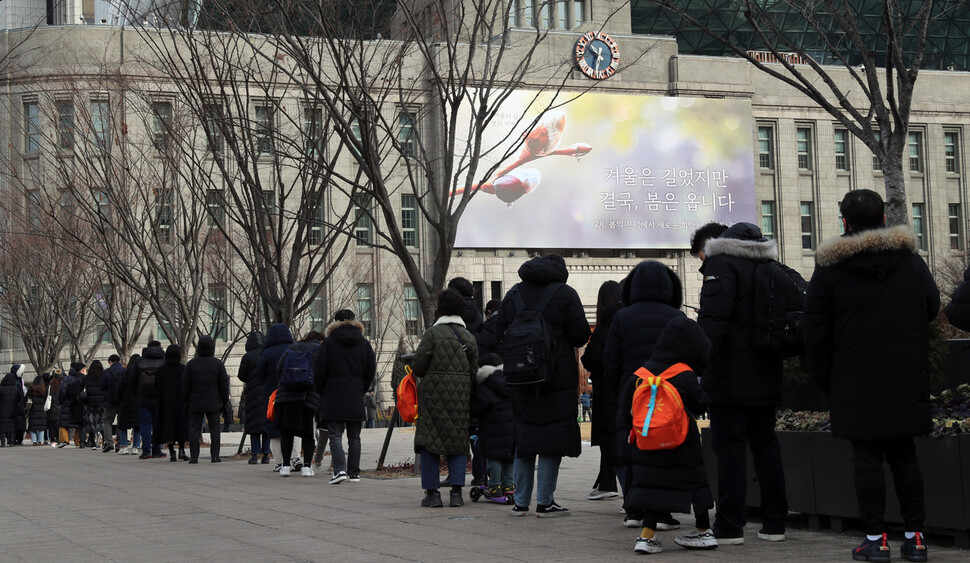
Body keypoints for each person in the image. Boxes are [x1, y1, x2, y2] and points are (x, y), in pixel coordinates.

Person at [804, 189, 938, 563]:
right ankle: (915, 539)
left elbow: (814, 330)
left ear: (844, 222)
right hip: (907, 374)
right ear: (883, 219)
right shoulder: (910, 260)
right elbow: (931, 306)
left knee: (866, 457)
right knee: (904, 455)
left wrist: (825, 379)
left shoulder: (830, 268)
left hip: (853, 377)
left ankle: (875, 540)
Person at [696, 221, 788, 544]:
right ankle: (775, 524)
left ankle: (730, 525)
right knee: (766, 445)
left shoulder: (721, 263)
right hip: (767, 370)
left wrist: (698, 361)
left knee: (730, 449)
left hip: (729, 376)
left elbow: (714, 319)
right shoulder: (769, 264)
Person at [493, 254, 591, 517]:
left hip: (520, 379)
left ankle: (520, 502)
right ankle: (545, 502)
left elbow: (496, 333)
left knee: (524, 439)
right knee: (551, 440)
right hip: (557, 378)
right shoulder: (566, 294)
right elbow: (581, 335)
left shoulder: (514, 294)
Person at [619, 317, 717, 555]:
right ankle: (704, 530)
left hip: (648, 445)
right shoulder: (683, 374)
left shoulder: (640, 375)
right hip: (683, 442)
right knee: (696, 483)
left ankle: (647, 536)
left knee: (652, 487)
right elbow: (701, 403)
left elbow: (624, 410)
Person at [604, 261, 686, 529]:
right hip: (668, 394)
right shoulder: (677, 318)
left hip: (632, 392)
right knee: (667, 449)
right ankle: (663, 512)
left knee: (631, 449)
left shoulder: (622, 318)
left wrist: (618, 393)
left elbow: (611, 362)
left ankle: (634, 509)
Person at [411, 288, 479, 508]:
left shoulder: (432, 334)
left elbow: (418, 367)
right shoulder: (468, 336)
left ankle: (432, 494)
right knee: (458, 442)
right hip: (460, 397)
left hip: (432, 398)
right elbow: (473, 371)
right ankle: (457, 493)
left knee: (429, 443)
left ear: (440, 309)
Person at [316, 310, 376, 484]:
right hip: (355, 394)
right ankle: (354, 473)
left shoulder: (328, 343)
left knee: (335, 434)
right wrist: (361, 388)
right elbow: (370, 371)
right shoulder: (364, 343)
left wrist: (321, 391)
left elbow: (319, 370)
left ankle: (339, 470)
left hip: (333, 394)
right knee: (354, 436)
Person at [580, 279, 623, 501]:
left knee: (611, 438)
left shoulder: (606, 326)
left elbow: (590, 358)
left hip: (608, 390)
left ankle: (627, 494)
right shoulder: (628, 320)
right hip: (630, 387)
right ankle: (607, 482)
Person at [275, 331, 325, 477]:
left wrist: (286, 384)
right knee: (308, 433)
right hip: (308, 396)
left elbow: (279, 369)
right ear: (320, 340)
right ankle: (307, 467)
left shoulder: (291, 347)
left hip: (287, 395)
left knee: (287, 432)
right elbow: (322, 372)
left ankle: (285, 467)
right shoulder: (319, 350)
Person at [470, 353, 515, 500]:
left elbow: (478, 407)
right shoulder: (509, 381)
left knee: (494, 457)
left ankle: (494, 485)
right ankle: (509, 485)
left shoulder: (485, 385)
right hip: (510, 427)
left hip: (491, 428)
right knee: (508, 456)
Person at [182, 335, 230, 463]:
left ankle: (194, 456)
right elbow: (224, 384)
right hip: (213, 400)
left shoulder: (191, 364)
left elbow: (186, 384)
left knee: (194, 429)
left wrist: (185, 400)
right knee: (215, 429)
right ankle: (215, 456)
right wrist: (225, 400)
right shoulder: (218, 364)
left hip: (195, 401)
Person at [256, 323, 296, 472]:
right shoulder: (294, 348)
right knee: (293, 426)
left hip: (272, 394)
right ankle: (295, 458)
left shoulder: (266, 353)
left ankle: (279, 461)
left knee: (274, 427)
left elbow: (259, 375)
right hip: (293, 392)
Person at [237, 331, 268, 465]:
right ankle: (266, 454)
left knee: (254, 424)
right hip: (267, 392)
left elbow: (242, 376)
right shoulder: (267, 353)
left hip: (253, 393)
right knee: (266, 424)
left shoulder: (247, 357)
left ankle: (254, 455)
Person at [155, 344, 189, 462]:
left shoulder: (161, 370)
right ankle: (182, 450)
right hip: (181, 402)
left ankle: (171, 452)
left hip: (166, 403)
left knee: (169, 426)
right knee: (181, 425)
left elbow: (157, 387)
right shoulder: (183, 369)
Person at [132, 341, 166, 459]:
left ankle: (146, 451)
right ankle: (157, 450)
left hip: (144, 397)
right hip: (159, 398)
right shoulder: (163, 360)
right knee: (157, 425)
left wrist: (137, 394)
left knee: (145, 425)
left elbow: (132, 379)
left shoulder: (139, 361)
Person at [113, 354, 141, 455]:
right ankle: (136, 447)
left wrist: (118, 401)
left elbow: (119, 389)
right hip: (137, 403)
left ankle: (124, 446)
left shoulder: (125, 373)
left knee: (123, 425)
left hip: (125, 403)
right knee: (137, 426)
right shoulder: (140, 375)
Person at [81, 360, 107, 449]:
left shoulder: (87, 378)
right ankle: (104, 440)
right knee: (101, 421)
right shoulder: (104, 376)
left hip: (89, 403)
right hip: (101, 402)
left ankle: (92, 442)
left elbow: (82, 389)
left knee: (91, 422)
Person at [101, 355, 125, 452]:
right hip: (122, 400)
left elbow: (102, 387)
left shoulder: (106, 372)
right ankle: (119, 443)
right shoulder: (124, 371)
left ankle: (109, 443)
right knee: (121, 422)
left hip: (109, 401)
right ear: (119, 361)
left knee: (107, 422)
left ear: (110, 362)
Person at [58, 363, 85, 448]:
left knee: (63, 423)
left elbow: (62, 391)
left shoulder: (66, 379)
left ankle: (64, 440)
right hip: (77, 402)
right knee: (78, 423)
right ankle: (78, 440)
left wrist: (62, 400)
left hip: (66, 402)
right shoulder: (80, 378)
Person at [0, 368, 24, 447]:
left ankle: (3, 442)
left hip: (2, 410)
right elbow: (19, 399)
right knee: (12, 426)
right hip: (13, 410)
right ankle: (11, 442)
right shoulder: (16, 389)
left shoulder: (1, 389)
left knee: (3, 427)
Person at [26, 375, 47, 445]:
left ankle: (34, 441)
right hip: (41, 411)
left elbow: (26, 399)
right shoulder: (43, 390)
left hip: (33, 410)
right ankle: (40, 441)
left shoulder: (31, 389)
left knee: (33, 426)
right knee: (41, 427)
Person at [47, 371, 62, 447]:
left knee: (52, 425)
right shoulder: (62, 386)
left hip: (52, 408)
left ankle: (53, 440)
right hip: (60, 408)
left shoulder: (51, 386)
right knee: (58, 426)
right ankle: (59, 439)